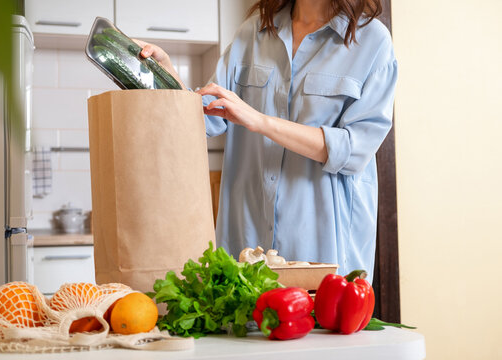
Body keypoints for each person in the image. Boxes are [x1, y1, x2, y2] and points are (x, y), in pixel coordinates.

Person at [137, 0, 397, 283]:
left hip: (324, 256)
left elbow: (352, 150)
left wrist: (259, 121)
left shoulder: (372, 41)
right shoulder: (252, 33)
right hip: (245, 245)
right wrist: (165, 75)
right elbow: (204, 117)